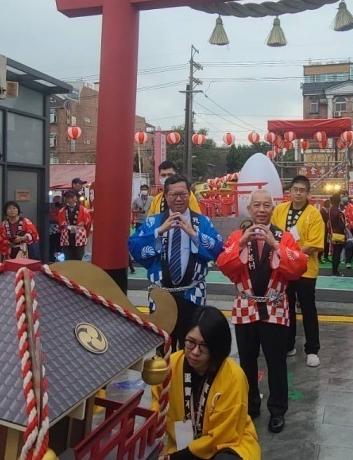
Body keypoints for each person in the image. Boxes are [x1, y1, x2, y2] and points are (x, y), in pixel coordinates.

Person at [140, 306, 260, 460]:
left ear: (218, 347)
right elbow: (158, 405)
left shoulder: (233, 377)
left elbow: (221, 437)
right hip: (184, 448)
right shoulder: (172, 364)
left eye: (204, 346)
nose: (195, 352)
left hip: (223, 448)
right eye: (190, 342)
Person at [217, 189, 306, 434]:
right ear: (249, 208)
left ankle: (278, 410)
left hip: (275, 305)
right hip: (245, 305)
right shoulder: (237, 235)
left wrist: (276, 245)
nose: (261, 210)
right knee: (246, 361)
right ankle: (250, 405)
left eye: (267, 205)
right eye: (257, 205)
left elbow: (298, 266)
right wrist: (242, 243)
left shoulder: (284, 236)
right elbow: (223, 264)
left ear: (273, 207)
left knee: (276, 362)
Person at [129, 175, 224, 349]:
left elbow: (218, 248)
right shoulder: (154, 221)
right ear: (165, 196)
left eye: (183, 194)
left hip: (193, 293)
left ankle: (187, 378)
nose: (179, 198)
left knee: (191, 346)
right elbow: (134, 245)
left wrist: (194, 235)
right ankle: (167, 376)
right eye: (173, 194)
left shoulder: (202, 222)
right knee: (162, 345)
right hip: (161, 295)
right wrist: (158, 231)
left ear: (190, 195)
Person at [272, 176, 325, 365]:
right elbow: (273, 234)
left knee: (308, 308)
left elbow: (313, 244)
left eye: (302, 190)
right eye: (295, 189)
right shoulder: (279, 210)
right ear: (290, 191)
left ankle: (312, 349)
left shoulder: (314, 214)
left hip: (305, 270)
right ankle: (288, 344)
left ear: (308, 193)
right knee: (286, 308)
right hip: (284, 269)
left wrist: (289, 254)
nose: (298, 193)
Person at [54, 189, 93, 261]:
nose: (70, 199)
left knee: (79, 256)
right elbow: (60, 225)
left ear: (76, 198)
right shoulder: (61, 211)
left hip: (79, 235)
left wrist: (85, 235)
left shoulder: (84, 210)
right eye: (68, 198)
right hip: (66, 236)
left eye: (72, 197)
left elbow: (88, 224)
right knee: (68, 257)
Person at [327, 193, 349, 277]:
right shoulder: (338, 212)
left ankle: (334, 269)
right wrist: (345, 224)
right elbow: (342, 224)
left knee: (335, 252)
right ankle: (335, 270)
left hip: (333, 233)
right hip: (339, 234)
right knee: (337, 253)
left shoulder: (331, 210)